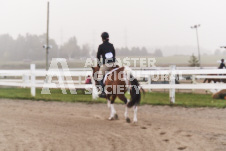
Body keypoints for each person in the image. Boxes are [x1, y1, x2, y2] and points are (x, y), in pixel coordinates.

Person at [97, 32, 116, 98]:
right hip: (113, 64)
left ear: (102, 38)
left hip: (107, 64)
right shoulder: (111, 45)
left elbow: (98, 57)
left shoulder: (101, 46)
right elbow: (114, 54)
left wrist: (99, 65)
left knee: (99, 77)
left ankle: (103, 92)